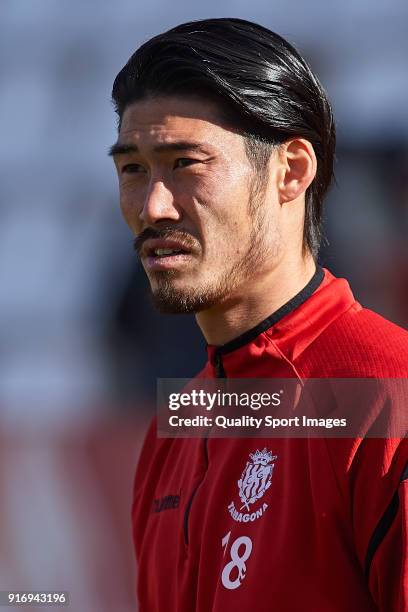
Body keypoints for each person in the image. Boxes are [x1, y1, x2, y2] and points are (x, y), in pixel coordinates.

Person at [109, 18, 408, 611]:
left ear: (291, 171)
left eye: (186, 164)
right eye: (133, 169)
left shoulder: (387, 396)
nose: (152, 206)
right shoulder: (176, 427)